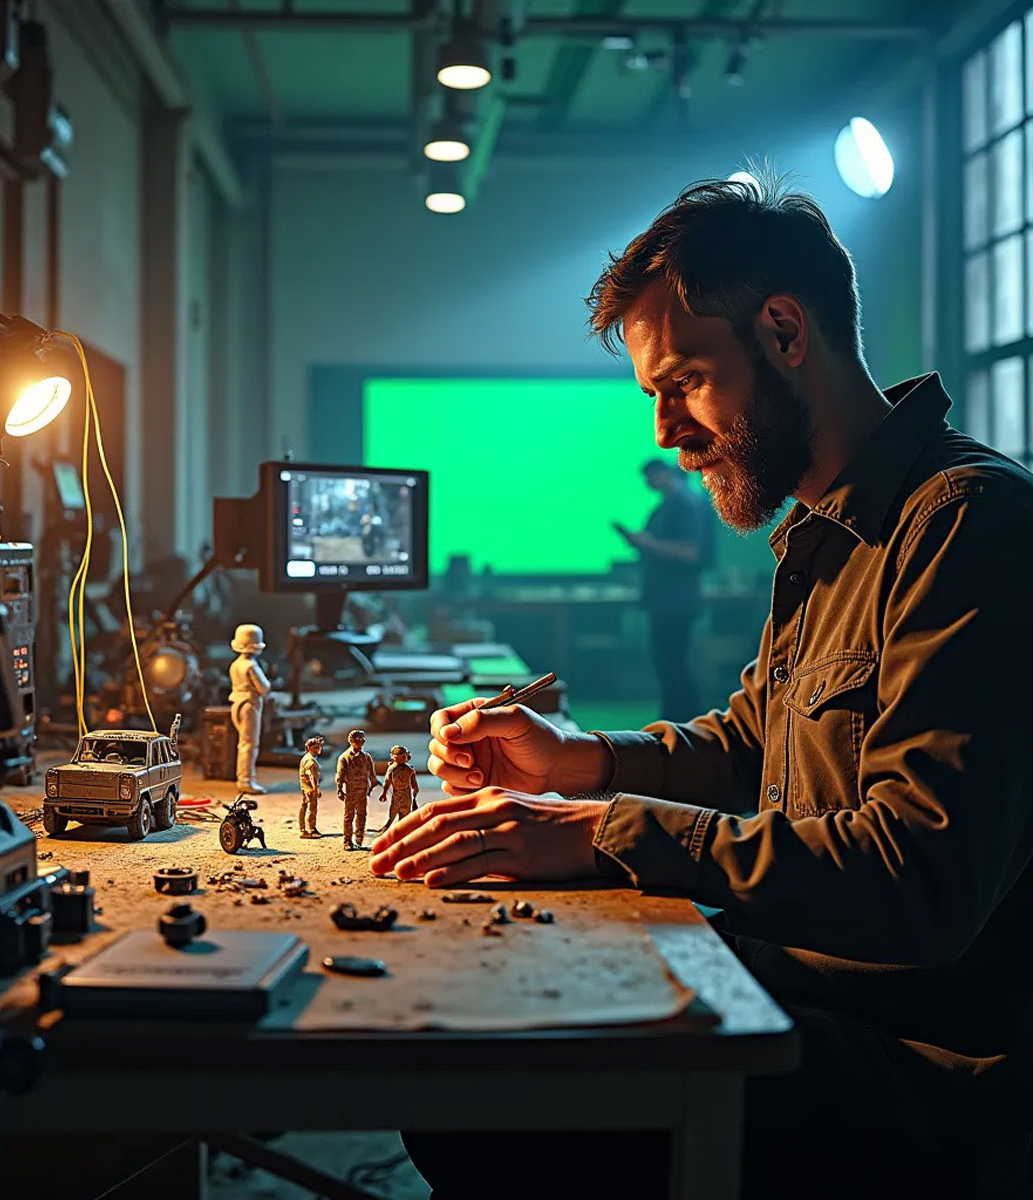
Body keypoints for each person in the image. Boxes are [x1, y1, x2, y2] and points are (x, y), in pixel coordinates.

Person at [369, 175, 1033, 1198]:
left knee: (482, 1105)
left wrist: (600, 830)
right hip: (791, 981)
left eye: (683, 381)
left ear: (782, 330)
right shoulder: (821, 534)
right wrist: (578, 760)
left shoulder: (967, 525)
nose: (664, 430)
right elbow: (751, 742)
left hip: (923, 1069)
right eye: (652, 395)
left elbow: (921, 881)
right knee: (466, 1038)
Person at [613, 458, 712, 720]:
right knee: (669, 663)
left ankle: (682, 719)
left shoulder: (685, 505)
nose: (647, 484)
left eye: (649, 477)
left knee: (672, 663)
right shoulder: (669, 506)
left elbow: (689, 552)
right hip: (666, 598)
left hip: (676, 599)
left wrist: (647, 543)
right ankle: (681, 718)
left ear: (664, 473)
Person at [228, 623, 270, 795]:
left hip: (237, 704)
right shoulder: (251, 666)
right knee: (249, 744)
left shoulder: (235, 664)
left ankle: (244, 778)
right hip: (249, 705)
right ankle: (246, 780)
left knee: (243, 743)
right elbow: (264, 688)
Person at [336, 729, 377, 850]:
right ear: (351, 741)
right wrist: (339, 789)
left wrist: (375, 784)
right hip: (351, 791)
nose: (359, 743)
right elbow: (340, 775)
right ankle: (347, 841)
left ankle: (359, 838)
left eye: (361, 740)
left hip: (363, 791)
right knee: (349, 816)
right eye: (356, 741)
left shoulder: (367, 757)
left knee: (362, 815)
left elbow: (372, 774)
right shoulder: (344, 758)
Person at [378, 745, 419, 833]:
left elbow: (414, 784)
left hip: (406, 795)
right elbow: (387, 782)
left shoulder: (409, 769)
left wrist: (414, 797)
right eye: (398, 757)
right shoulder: (392, 769)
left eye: (403, 756)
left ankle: (401, 829)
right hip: (397, 794)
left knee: (405, 814)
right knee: (393, 812)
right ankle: (388, 826)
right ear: (393, 757)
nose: (401, 759)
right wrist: (384, 793)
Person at [297, 734, 324, 839]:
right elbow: (312, 776)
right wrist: (316, 789)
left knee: (304, 807)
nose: (319, 749)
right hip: (309, 788)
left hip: (305, 787)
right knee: (312, 809)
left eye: (319, 746)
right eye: (316, 747)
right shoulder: (310, 761)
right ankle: (311, 829)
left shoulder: (307, 758)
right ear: (309, 748)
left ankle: (303, 829)